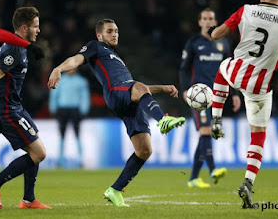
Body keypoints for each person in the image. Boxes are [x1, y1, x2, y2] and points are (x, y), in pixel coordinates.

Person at [48, 18, 186, 207]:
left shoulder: (116, 58)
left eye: (116, 31)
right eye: (110, 31)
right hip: (115, 93)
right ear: (99, 35)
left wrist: (163, 87)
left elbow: (139, 90)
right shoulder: (95, 47)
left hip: (128, 99)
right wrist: (58, 69)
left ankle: (115, 190)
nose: (115, 34)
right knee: (137, 86)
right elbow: (76, 60)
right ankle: (162, 119)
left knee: (144, 150)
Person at [208, 0, 278, 208]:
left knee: (223, 68)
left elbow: (216, 34)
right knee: (258, 134)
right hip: (261, 86)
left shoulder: (247, 10)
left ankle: (216, 118)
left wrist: (216, 30)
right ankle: (248, 183)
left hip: (237, 72)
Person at [0, 7, 51, 209]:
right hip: (7, 110)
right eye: (35, 27)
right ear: (24, 28)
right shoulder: (12, 49)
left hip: (16, 107)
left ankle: (28, 199)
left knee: (35, 149)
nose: (39, 30)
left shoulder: (19, 47)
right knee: (39, 153)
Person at [179, 8, 241, 188]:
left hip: (217, 95)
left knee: (205, 133)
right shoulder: (193, 43)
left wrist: (235, 94)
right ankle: (213, 169)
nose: (207, 21)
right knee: (206, 131)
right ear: (199, 22)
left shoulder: (223, 43)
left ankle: (193, 178)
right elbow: (183, 68)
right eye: (204, 19)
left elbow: (229, 70)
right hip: (199, 95)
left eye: (211, 18)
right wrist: (185, 89)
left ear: (215, 21)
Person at [49, 69, 90, 168]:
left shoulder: (81, 81)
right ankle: (60, 159)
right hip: (62, 109)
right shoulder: (60, 80)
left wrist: (84, 109)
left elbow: (85, 96)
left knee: (77, 133)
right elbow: (54, 94)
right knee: (62, 134)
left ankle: (80, 159)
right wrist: (53, 107)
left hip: (75, 109)